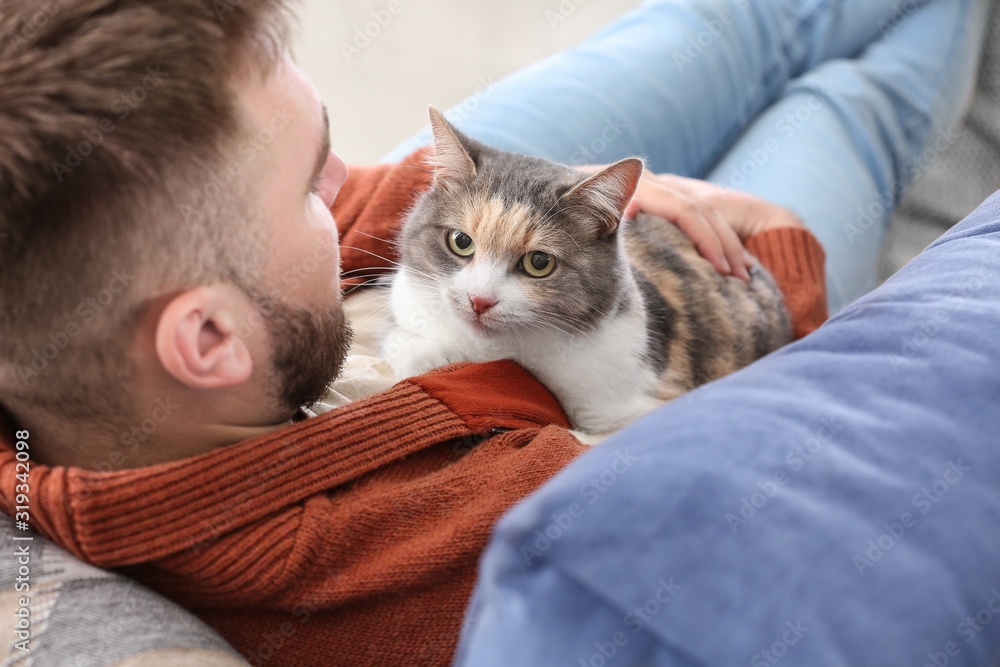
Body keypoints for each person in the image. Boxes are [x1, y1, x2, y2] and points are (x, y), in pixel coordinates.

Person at [0, 0, 988, 665]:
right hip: (668, 296)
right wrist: (781, 255)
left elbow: (351, 212)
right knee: (846, 106)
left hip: (490, 224)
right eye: (310, 183)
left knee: (734, 23)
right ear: (209, 340)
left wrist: (532, 199)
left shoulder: (71, 345)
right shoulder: (449, 540)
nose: (346, 186)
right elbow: (767, 414)